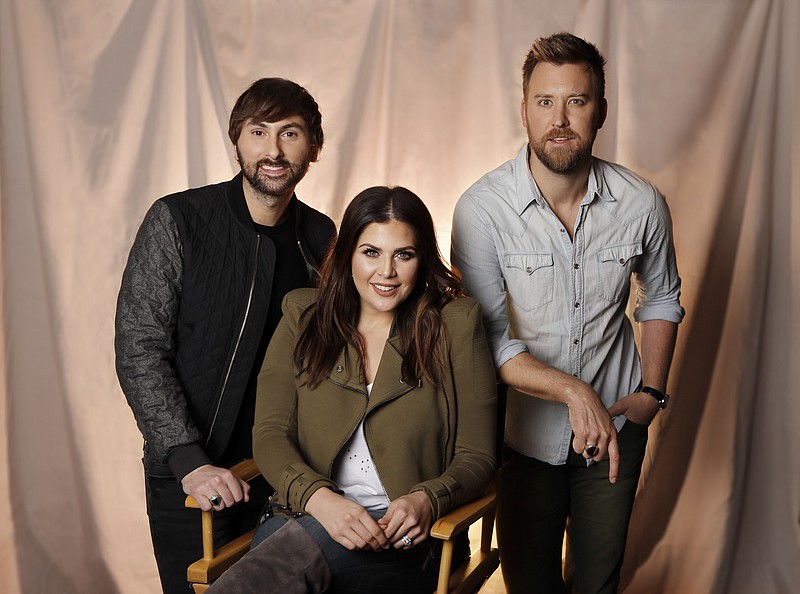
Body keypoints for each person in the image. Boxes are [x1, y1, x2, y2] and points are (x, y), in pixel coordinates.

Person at [451, 32, 684, 593]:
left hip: (618, 428)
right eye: (545, 101)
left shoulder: (642, 203)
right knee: (529, 585)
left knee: (598, 582)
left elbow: (662, 297)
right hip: (522, 439)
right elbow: (489, 338)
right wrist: (575, 393)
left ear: (600, 112)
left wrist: (651, 394)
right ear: (524, 109)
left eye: (576, 101)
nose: (560, 118)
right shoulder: (481, 210)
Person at [206, 186, 497, 594]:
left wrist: (428, 499)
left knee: (273, 570)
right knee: (292, 551)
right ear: (347, 255)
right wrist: (321, 501)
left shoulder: (456, 325)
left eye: (404, 254)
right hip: (304, 515)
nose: (387, 272)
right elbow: (270, 434)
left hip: (401, 536)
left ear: (422, 259)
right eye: (371, 252)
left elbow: (478, 455)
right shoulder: (302, 317)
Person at [115, 77, 336, 593]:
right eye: (259, 132)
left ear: (314, 148)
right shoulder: (178, 219)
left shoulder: (324, 238)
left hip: (285, 476)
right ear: (237, 139)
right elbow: (139, 347)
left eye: (291, 133)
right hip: (191, 477)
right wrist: (189, 461)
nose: (274, 151)